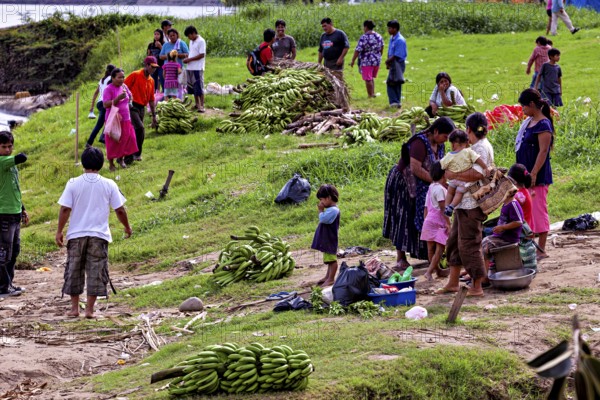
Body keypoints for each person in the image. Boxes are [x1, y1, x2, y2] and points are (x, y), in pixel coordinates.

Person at [56, 147, 132, 319]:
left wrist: (59, 231)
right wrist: (127, 227)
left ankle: (74, 309)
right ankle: (89, 310)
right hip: (99, 235)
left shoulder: (73, 183)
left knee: (74, 269)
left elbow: (65, 209)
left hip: (76, 234)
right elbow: (120, 210)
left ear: (83, 163)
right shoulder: (109, 184)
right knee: (96, 269)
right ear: (101, 164)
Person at [383, 117, 454, 270]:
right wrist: (436, 182)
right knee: (403, 217)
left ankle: (428, 255)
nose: (445, 140)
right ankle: (400, 258)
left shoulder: (439, 145)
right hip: (404, 182)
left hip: (425, 184)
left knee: (425, 214)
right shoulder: (419, 143)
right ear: (435, 131)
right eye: (444, 136)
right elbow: (416, 168)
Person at [437, 112, 494, 297]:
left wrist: (453, 176)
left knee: (469, 244)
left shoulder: (479, 148)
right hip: (462, 205)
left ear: (469, 130)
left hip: (472, 205)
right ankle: (453, 282)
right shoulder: (474, 147)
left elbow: (478, 174)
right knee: (453, 242)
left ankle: (477, 285)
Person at [515, 88, 554, 260]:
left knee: (539, 211)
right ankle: (530, 247)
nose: (522, 110)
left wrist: (534, 173)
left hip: (537, 175)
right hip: (526, 174)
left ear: (532, 104)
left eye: (524, 106)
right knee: (527, 211)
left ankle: (542, 249)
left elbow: (543, 151)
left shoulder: (544, 124)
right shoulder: (530, 121)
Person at [0, 131, 28, 298]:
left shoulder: (10, 165)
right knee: (3, 252)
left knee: (14, 250)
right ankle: (2, 287)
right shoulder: (2, 161)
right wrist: (18, 155)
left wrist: (22, 208)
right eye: (4, 147)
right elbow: (22, 157)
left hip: (15, 212)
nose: (8, 150)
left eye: (10, 146)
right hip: (3, 213)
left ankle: (8, 283)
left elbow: (14, 187)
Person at [440, 129, 489, 217]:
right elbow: (478, 160)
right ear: (465, 142)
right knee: (459, 193)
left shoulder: (449, 155)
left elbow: (442, 166)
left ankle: (446, 207)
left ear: (454, 143)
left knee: (450, 192)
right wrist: (485, 167)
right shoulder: (469, 152)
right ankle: (452, 206)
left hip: (453, 179)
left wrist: (446, 173)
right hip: (464, 181)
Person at [102, 68, 139, 171]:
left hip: (126, 118)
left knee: (127, 138)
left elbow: (130, 96)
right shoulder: (108, 89)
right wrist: (117, 99)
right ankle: (111, 164)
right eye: (119, 77)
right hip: (114, 119)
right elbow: (105, 104)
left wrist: (130, 100)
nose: (122, 79)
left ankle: (121, 159)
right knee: (113, 141)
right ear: (113, 78)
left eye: (123, 77)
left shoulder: (124, 86)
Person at [123, 57, 159, 163]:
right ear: (147, 65)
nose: (154, 69)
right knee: (139, 128)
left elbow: (152, 99)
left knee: (137, 131)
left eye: (155, 67)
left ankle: (135, 154)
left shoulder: (151, 80)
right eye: (152, 67)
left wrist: (153, 116)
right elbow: (123, 87)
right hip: (132, 106)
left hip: (142, 108)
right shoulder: (135, 75)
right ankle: (133, 154)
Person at [420, 161, 450, 282]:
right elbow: (443, 209)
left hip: (429, 220)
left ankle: (437, 271)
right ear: (444, 174)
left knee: (430, 249)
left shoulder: (431, 187)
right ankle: (429, 272)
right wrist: (449, 223)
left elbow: (426, 207)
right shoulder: (440, 190)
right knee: (440, 249)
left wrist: (425, 221)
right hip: (439, 222)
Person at [481, 190, 524, 270]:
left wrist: (502, 227)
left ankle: (484, 275)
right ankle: (484, 271)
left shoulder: (513, 204)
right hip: (501, 236)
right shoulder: (506, 204)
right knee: (483, 242)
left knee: (485, 244)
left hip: (508, 239)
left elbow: (518, 222)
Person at [311, 184, 340, 287]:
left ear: (328, 198)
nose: (321, 203)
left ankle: (331, 279)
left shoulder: (333, 210)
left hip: (330, 238)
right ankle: (327, 276)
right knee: (328, 259)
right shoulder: (330, 209)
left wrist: (320, 211)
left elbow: (323, 219)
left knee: (332, 260)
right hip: (327, 238)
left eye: (322, 200)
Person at [349, 20, 384, 99]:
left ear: (365, 27)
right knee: (371, 77)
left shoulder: (364, 37)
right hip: (376, 60)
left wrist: (353, 60)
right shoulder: (378, 36)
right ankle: (373, 93)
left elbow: (358, 50)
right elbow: (382, 47)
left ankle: (370, 95)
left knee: (368, 79)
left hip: (366, 60)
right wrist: (379, 56)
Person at [86, 64, 115, 147]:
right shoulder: (110, 79)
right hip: (105, 102)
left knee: (107, 120)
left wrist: (92, 106)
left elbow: (96, 93)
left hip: (99, 103)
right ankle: (96, 139)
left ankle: (92, 141)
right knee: (102, 123)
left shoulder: (102, 80)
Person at [183, 25, 206, 113]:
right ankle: (197, 104)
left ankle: (202, 106)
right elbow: (192, 53)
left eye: (189, 36)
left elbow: (201, 55)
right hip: (190, 67)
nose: (189, 38)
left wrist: (189, 59)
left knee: (199, 87)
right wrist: (187, 56)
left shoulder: (201, 41)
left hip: (198, 67)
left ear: (193, 33)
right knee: (193, 87)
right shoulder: (191, 42)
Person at [385, 20, 407, 108]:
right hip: (393, 63)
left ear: (395, 29)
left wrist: (387, 61)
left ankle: (394, 101)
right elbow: (390, 51)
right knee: (395, 81)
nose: (388, 30)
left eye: (390, 28)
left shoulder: (400, 40)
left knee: (391, 82)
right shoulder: (392, 38)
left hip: (397, 63)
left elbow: (397, 55)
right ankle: (397, 102)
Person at [508, 163, 534, 229]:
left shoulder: (517, 195)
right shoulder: (524, 191)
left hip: (522, 232)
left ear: (514, 181)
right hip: (527, 228)